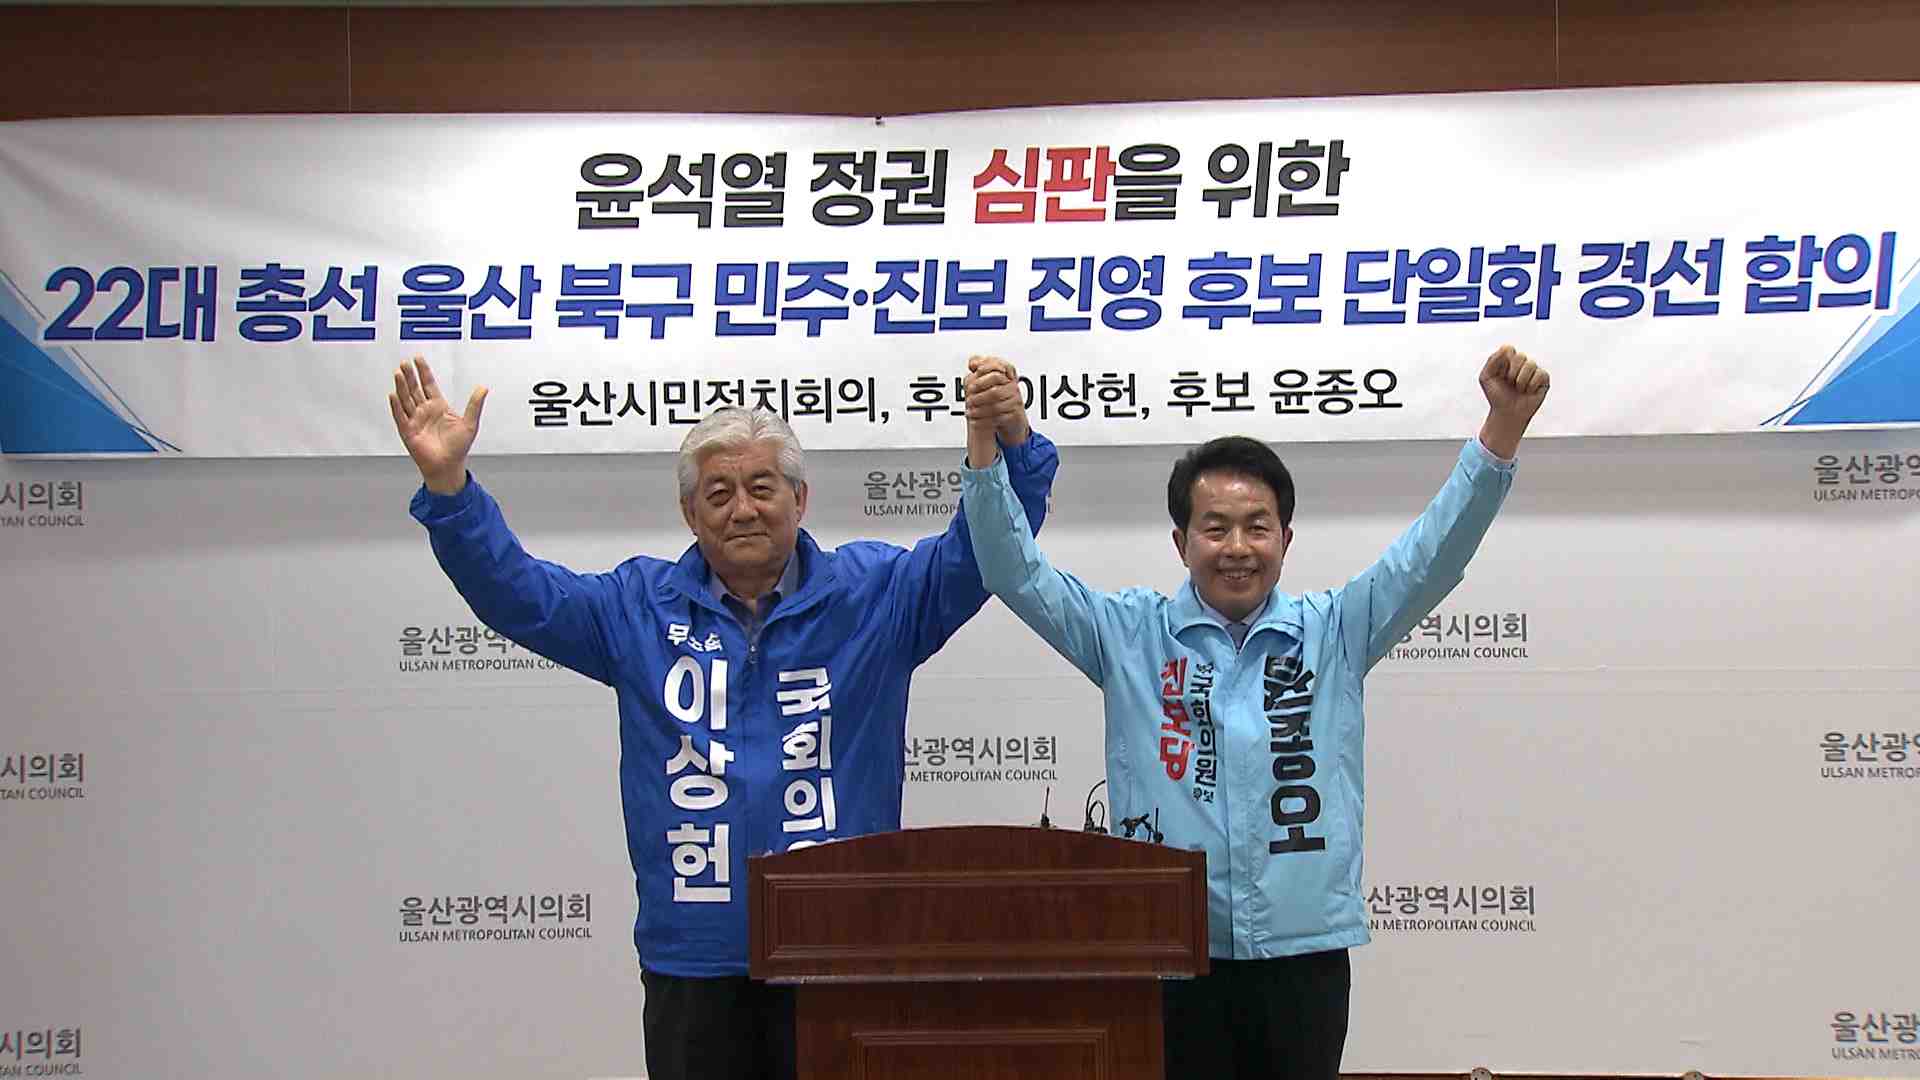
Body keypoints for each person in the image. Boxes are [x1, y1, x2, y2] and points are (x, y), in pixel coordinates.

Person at [389, 354, 1056, 1080]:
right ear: (690, 513)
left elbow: (987, 552)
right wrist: (449, 489)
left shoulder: (877, 596)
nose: (742, 509)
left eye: (762, 488)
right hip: (694, 961)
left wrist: (1013, 446)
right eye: (719, 493)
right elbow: (518, 594)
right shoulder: (636, 608)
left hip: (840, 954)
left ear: (800, 499)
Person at [957, 345, 1550, 1080]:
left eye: (1257, 526)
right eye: (1215, 528)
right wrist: (984, 443)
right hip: (1170, 958)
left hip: (1303, 958)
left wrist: (1502, 430)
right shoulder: (1127, 635)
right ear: (1181, 542)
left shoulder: (1336, 630)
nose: (1237, 548)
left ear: (1285, 540)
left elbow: (1433, 554)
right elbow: (1012, 569)